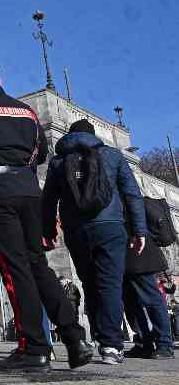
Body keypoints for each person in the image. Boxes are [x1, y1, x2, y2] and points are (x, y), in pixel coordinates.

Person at [0, 61, 92, 372]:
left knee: (15, 270)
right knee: (38, 265)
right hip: (29, 193)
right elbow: (40, 154)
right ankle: (74, 338)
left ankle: (34, 348)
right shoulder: (25, 111)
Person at [42, 119, 147, 365]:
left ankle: (99, 338)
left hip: (76, 230)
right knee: (110, 284)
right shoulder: (112, 156)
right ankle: (111, 345)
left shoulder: (59, 161)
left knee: (89, 283)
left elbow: (48, 199)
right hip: (110, 227)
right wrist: (139, 230)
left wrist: (48, 229)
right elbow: (132, 194)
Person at [123, 223, 175, 359]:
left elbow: (137, 210)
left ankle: (164, 344)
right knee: (130, 301)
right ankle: (143, 342)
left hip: (137, 247)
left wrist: (139, 233)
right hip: (122, 250)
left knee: (151, 298)